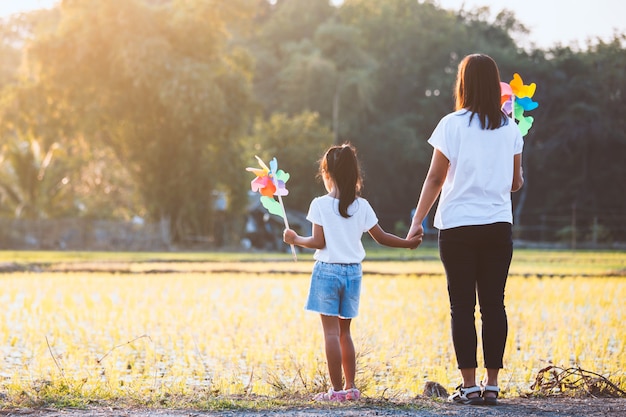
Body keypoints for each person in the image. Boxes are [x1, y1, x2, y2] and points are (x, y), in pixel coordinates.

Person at [407, 54, 524, 406]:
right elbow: (516, 184)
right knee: (493, 304)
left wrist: (417, 221)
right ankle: (492, 385)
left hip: (458, 225)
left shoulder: (452, 124)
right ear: (494, 84)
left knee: (462, 306)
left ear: (464, 83)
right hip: (497, 225)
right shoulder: (511, 128)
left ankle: (469, 386)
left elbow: (435, 177)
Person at [283, 143, 423, 402]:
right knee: (345, 333)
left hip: (327, 271)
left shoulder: (320, 205)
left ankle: (335, 392)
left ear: (327, 174)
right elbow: (381, 237)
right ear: (354, 175)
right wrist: (408, 243)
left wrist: (294, 239)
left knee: (331, 334)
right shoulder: (363, 206)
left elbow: (318, 242)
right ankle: (350, 388)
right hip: (353, 274)